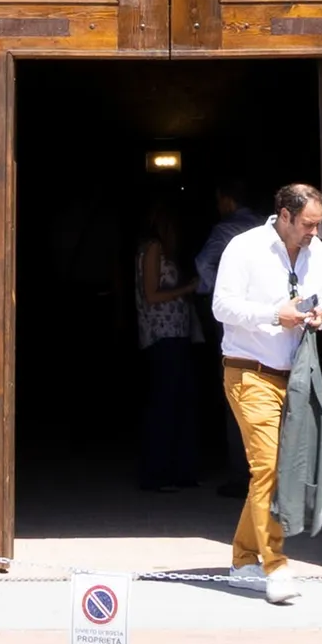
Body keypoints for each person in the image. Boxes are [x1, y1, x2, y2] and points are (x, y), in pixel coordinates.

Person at [212, 181, 322, 604]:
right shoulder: (244, 248)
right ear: (284, 216)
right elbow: (222, 306)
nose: (314, 234)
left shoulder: (314, 250)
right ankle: (276, 565)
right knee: (269, 468)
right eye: (307, 224)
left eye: (317, 225)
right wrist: (274, 314)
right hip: (250, 373)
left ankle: (244, 559)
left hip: (297, 375)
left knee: (275, 470)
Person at [131, 207, 208, 491]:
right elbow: (151, 294)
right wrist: (186, 289)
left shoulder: (160, 250)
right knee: (166, 404)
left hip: (177, 334)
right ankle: (157, 474)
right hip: (163, 335)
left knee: (182, 402)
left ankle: (180, 471)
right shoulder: (152, 248)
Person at [193, 181, 257, 495]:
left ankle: (239, 476)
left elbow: (203, 263)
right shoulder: (264, 227)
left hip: (232, 319)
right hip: (270, 316)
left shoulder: (225, 230)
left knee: (235, 389)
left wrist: (215, 295)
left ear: (227, 199)